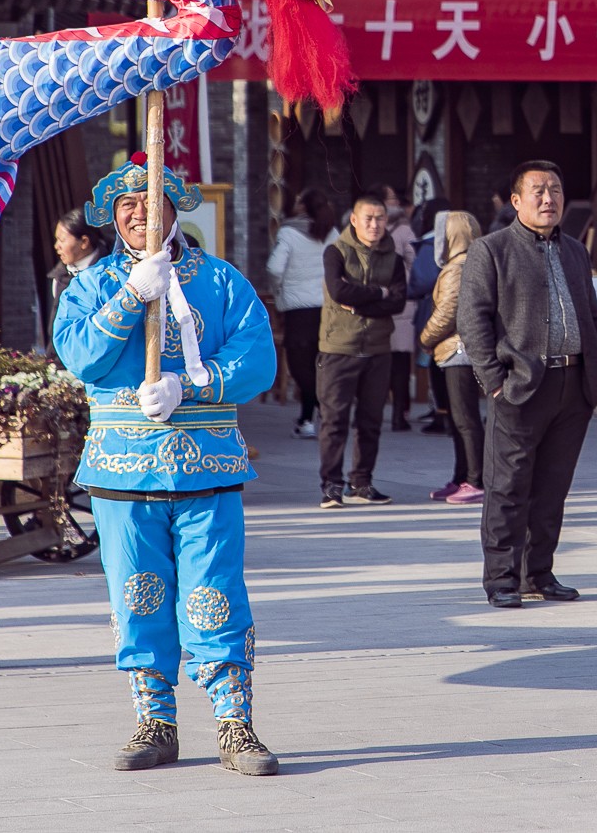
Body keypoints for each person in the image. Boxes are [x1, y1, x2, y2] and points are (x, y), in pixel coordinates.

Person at [51, 153, 279, 776]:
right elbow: (81, 357)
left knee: (215, 593)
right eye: (126, 205)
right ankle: (155, 721)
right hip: (122, 469)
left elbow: (258, 359)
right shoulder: (92, 285)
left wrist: (194, 386)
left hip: (206, 468)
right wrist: (130, 296)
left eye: (150, 202)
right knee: (138, 596)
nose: (138, 213)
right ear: (111, 219)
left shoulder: (224, 281)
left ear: (175, 211)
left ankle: (236, 724)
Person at [459, 161, 597, 608]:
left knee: (552, 487)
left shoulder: (575, 251)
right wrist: (494, 381)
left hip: (573, 385)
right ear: (516, 201)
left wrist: (594, 372)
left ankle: (538, 573)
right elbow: (472, 320)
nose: (549, 199)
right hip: (520, 386)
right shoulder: (492, 250)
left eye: (556, 191)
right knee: (508, 486)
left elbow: (591, 313)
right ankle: (502, 579)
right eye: (539, 191)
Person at [315, 191, 406, 507]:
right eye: (368, 218)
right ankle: (331, 485)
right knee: (334, 420)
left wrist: (359, 302)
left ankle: (362, 483)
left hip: (379, 349)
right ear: (354, 220)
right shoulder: (335, 252)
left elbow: (397, 300)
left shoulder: (393, 258)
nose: (375, 224)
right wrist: (376, 295)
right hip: (339, 347)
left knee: (370, 420)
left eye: (380, 218)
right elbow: (338, 290)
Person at [420, 210, 484, 504]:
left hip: (460, 351)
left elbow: (448, 312)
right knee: (459, 420)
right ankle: (461, 477)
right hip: (458, 351)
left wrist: (425, 338)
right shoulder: (471, 263)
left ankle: (475, 479)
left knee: (466, 420)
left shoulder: (459, 267)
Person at [267, 188, 336, 439]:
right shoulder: (333, 233)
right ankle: (307, 418)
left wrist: (280, 289)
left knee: (300, 367)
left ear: (304, 207)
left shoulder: (288, 232)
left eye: (297, 201)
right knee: (319, 366)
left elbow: (274, 268)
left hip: (298, 309)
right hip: (327, 308)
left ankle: (321, 411)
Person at [378, 184, 419, 433]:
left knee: (379, 359)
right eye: (392, 198)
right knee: (400, 361)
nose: (397, 202)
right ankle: (398, 416)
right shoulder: (404, 230)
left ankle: (376, 411)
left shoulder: (363, 229)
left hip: (378, 301)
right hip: (400, 301)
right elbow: (415, 263)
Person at [408, 199, 450, 434]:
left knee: (436, 365)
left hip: (433, 311)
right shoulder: (462, 242)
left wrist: (409, 290)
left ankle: (442, 414)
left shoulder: (430, 245)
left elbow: (422, 281)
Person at [50, 209, 109, 343]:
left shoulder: (109, 275)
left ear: (84, 242)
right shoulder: (59, 277)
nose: (56, 246)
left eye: (62, 240)